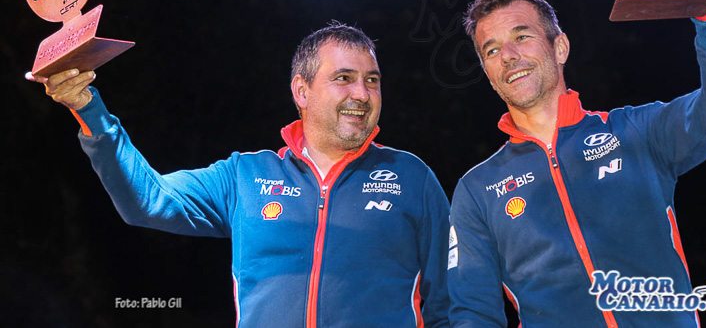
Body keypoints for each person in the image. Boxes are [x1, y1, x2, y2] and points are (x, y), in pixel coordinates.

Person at [28, 23, 451, 328]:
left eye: (372, 81)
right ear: (302, 91)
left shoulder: (411, 178)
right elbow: (147, 201)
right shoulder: (246, 176)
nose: (362, 93)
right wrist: (91, 112)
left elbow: (451, 302)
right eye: (344, 78)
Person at [446, 0, 706, 327]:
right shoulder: (477, 190)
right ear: (488, 75)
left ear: (560, 48)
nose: (507, 55)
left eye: (522, 37)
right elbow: (472, 312)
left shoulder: (635, 132)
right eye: (491, 51)